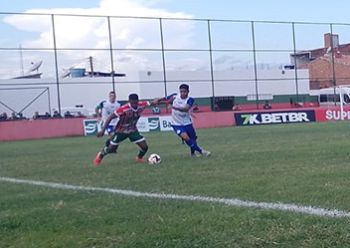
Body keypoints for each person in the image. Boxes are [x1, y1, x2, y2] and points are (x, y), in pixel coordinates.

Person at [93, 93, 157, 166]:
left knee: (145, 147)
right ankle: (100, 155)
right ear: (129, 101)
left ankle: (139, 158)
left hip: (133, 130)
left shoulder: (142, 104)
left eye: (135, 102)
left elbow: (151, 103)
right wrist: (103, 130)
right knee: (111, 149)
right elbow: (110, 117)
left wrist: (157, 101)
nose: (134, 105)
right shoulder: (123, 109)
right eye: (132, 103)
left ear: (138, 101)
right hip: (121, 131)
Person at [156, 84, 210, 157]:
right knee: (186, 138)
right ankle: (202, 151)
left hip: (187, 122)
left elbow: (185, 109)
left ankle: (193, 153)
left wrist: (173, 107)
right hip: (176, 124)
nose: (183, 93)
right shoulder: (175, 96)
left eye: (184, 92)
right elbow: (165, 98)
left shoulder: (190, 99)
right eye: (181, 91)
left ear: (188, 92)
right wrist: (158, 100)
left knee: (193, 139)